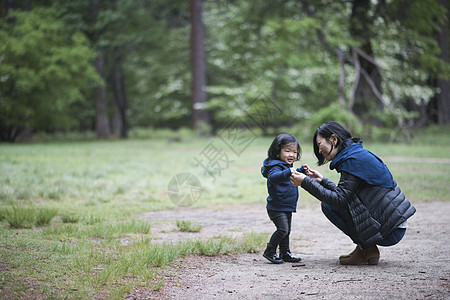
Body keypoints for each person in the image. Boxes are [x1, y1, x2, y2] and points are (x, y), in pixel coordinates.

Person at [290, 121, 416, 265]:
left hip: (390, 230)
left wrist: (305, 182)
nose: (319, 151)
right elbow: (346, 194)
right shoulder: (355, 154)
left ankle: (367, 247)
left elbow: (338, 200)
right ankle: (366, 249)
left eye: (319, 144)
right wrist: (322, 180)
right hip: (393, 224)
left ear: (333, 139)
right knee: (334, 203)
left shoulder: (353, 160)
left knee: (328, 206)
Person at [261, 133, 304, 264]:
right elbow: (274, 177)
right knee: (282, 230)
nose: (292, 155)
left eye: (295, 152)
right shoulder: (274, 166)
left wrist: (301, 170)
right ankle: (269, 251)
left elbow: (288, 174)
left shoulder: (286, 166)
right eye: (287, 151)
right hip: (276, 207)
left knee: (287, 231)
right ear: (277, 151)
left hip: (287, 205)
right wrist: (289, 172)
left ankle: (285, 252)